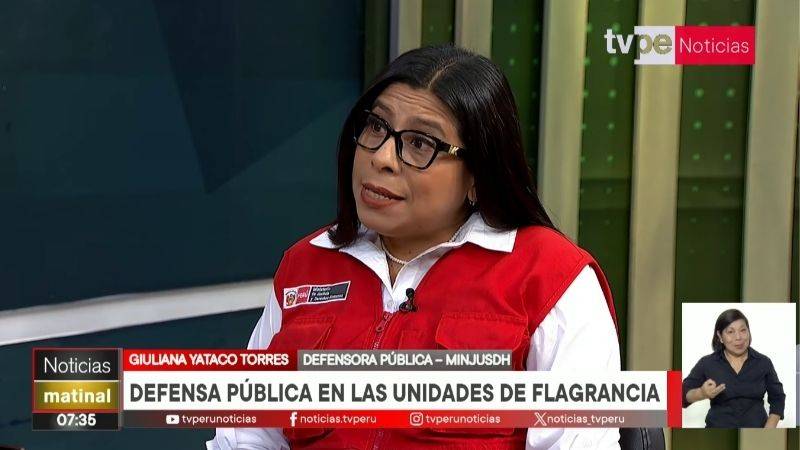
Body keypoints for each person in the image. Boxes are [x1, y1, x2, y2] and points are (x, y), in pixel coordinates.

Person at [207, 44, 621, 450]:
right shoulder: (307, 264)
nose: (382, 157)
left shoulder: (551, 278)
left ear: (478, 175)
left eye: (420, 143)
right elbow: (246, 436)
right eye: (376, 127)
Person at [682, 308, 785, 428]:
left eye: (743, 330)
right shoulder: (707, 363)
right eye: (730, 332)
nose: (738, 337)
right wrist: (701, 393)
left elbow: (778, 398)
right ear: (720, 336)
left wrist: (769, 428)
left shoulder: (763, 362)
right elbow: (680, 395)